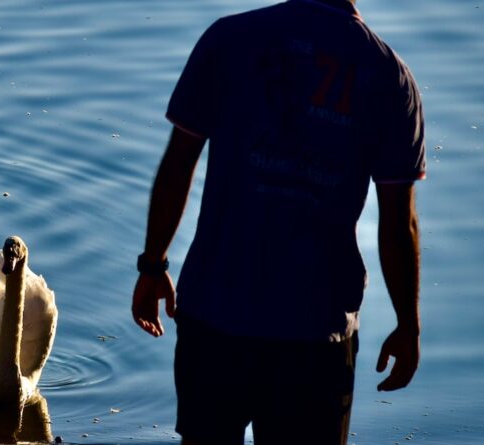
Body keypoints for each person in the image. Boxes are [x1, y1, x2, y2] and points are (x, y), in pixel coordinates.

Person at [130, 1, 425, 444]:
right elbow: (398, 223)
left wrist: (153, 265)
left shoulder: (228, 39)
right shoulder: (389, 76)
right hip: (315, 331)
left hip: (215, 315)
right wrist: (408, 324)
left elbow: (178, 164)